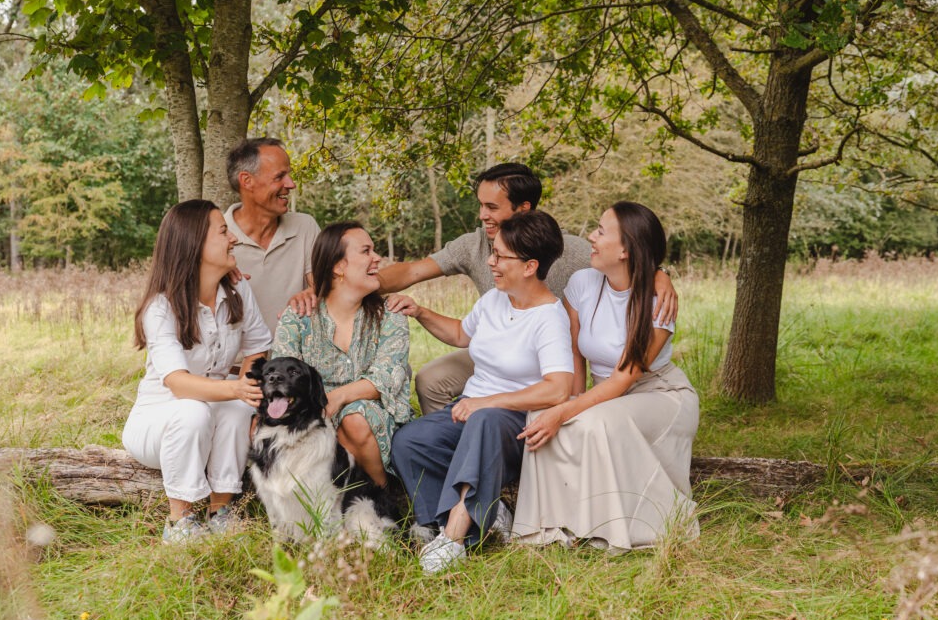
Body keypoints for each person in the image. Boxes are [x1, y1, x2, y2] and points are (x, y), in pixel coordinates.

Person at [289, 162, 677, 414]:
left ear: (523, 210)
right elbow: (410, 273)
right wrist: (334, 287)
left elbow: (627, 260)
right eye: (480, 205)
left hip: (544, 358)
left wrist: (659, 275)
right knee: (430, 379)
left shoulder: (570, 249)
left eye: (492, 208)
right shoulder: (471, 244)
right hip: (493, 346)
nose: (482, 215)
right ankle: (451, 445)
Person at [390, 210, 574, 574]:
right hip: (476, 410)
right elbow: (462, 334)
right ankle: (456, 521)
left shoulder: (549, 317)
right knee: (409, 441)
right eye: (493, 251)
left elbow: (558, 389)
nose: (491, 261)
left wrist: (485, 402)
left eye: (500, 255)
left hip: (518, 422)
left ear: (529, 266)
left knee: (485, 421)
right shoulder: (494, 300)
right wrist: (421, 311)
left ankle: (456, 538)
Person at [512, 201, 700, 553]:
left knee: (592, 421)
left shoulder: (658, 300)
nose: (591, 237)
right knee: (541, 416)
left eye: (601, 231)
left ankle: (632, 526)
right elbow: (575, 352)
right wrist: (567, 400)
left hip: (659, 394)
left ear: (626, 248)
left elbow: (623, 379)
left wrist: (566, 412)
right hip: (605, 394)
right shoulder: (583, 282)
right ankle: (550, 527)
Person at [123, 200, 272, 544]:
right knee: (194, 410)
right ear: (194, 244)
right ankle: (180, 521)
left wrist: (245, 389)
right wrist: (237, 389)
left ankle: (220, 510)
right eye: (223, 231)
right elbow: (177, 382)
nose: (233, 238)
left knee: (236, 407)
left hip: (212, 413)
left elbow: (257, 347)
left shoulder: (236, 290)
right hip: (158, 420)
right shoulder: (161, 306)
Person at [272, 222, 413, 488]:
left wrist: (337, 398)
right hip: (311, 412)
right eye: (366, 251)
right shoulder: (299, 316)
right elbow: (282, 375)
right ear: (338, 266)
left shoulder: (390, 315)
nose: (377, 258)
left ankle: (382, 496)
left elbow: (387, 376)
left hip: (372, 415)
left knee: (354, 418)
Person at [225, 137, 321, 333]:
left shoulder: (305, 226)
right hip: (237, 363)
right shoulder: (214, 236)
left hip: (295, 361)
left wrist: (314, 293)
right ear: (247, 181)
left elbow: (324, 287)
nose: (291, 184)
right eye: (279, 177)